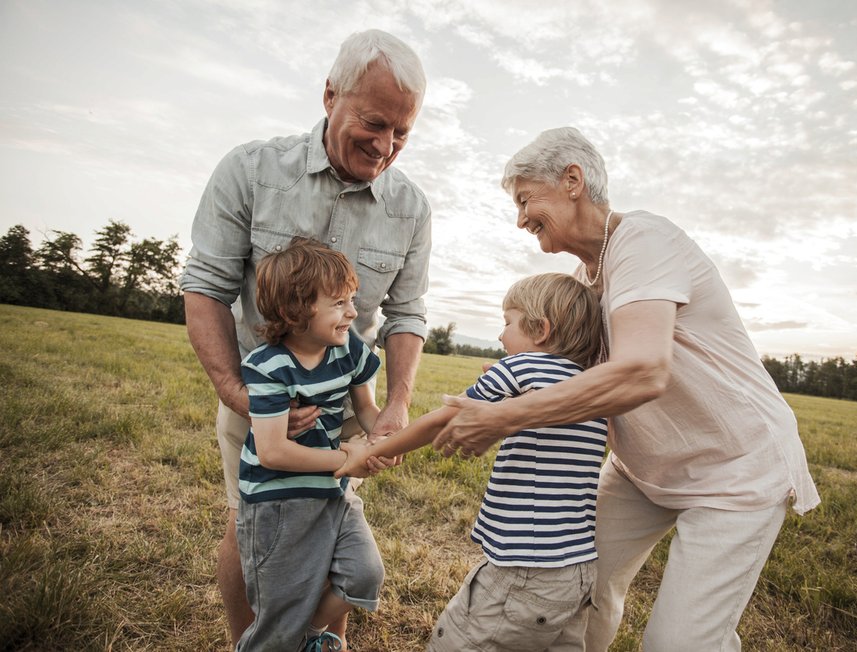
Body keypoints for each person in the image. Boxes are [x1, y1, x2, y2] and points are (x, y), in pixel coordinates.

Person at [432, 127, 821, 651]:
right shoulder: (582, 278)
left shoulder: (644, 240)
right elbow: (563, 373)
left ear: (573, 181)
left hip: (735, 470)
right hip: (643, 470)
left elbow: (643, 370)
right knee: (573, 590)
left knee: (679, 643)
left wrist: (504, 418)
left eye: (526, 200)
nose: (520, 218)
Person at [179, 29, 430, 647]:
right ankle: (253, 643)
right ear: (328, 95)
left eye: (401, 132)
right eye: (373, 122)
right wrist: (243, 396)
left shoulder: (411, 208)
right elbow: (205, 286)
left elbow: (407, 315)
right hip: (259, 396)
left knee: (339, 538)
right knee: (251, 528)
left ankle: (313, 643)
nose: (385, 145)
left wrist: (393, 406)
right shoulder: (251, 170)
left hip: (345, 406)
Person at [337, 272, 608, 652]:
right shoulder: (592, 390)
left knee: (460, 642)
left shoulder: (522, 368)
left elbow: (442, 418)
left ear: (541, 330)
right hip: (578, 572)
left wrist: (372, 450)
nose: (500, 336)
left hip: (523, 569)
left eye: (507, 322)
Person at [236, 238, 384, 652]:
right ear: (295, 310)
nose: (353, 312)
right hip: (277, 505)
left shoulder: (348, 348)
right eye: (339, 303)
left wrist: (381, 439)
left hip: (333, 492)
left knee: (364, 575)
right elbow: (273, 453)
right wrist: (346, 459)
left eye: (351, 300)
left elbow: (367, 408)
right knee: (276, 623)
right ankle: (288, 639)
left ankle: (308, 637)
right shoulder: (268, 366)